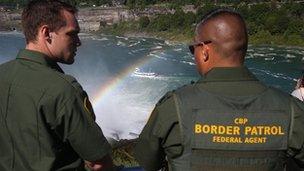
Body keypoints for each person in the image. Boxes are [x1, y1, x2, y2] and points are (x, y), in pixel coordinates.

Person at [134, 8, 304, 171]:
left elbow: (147, 161)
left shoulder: (175, 107)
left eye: (193, 49)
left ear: (205, 51)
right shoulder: (291, 110)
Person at [0, 0, 113, 170]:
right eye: (72, 34)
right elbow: (99, 163)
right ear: (46, 33)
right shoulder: (63, 89)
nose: (79, 42)